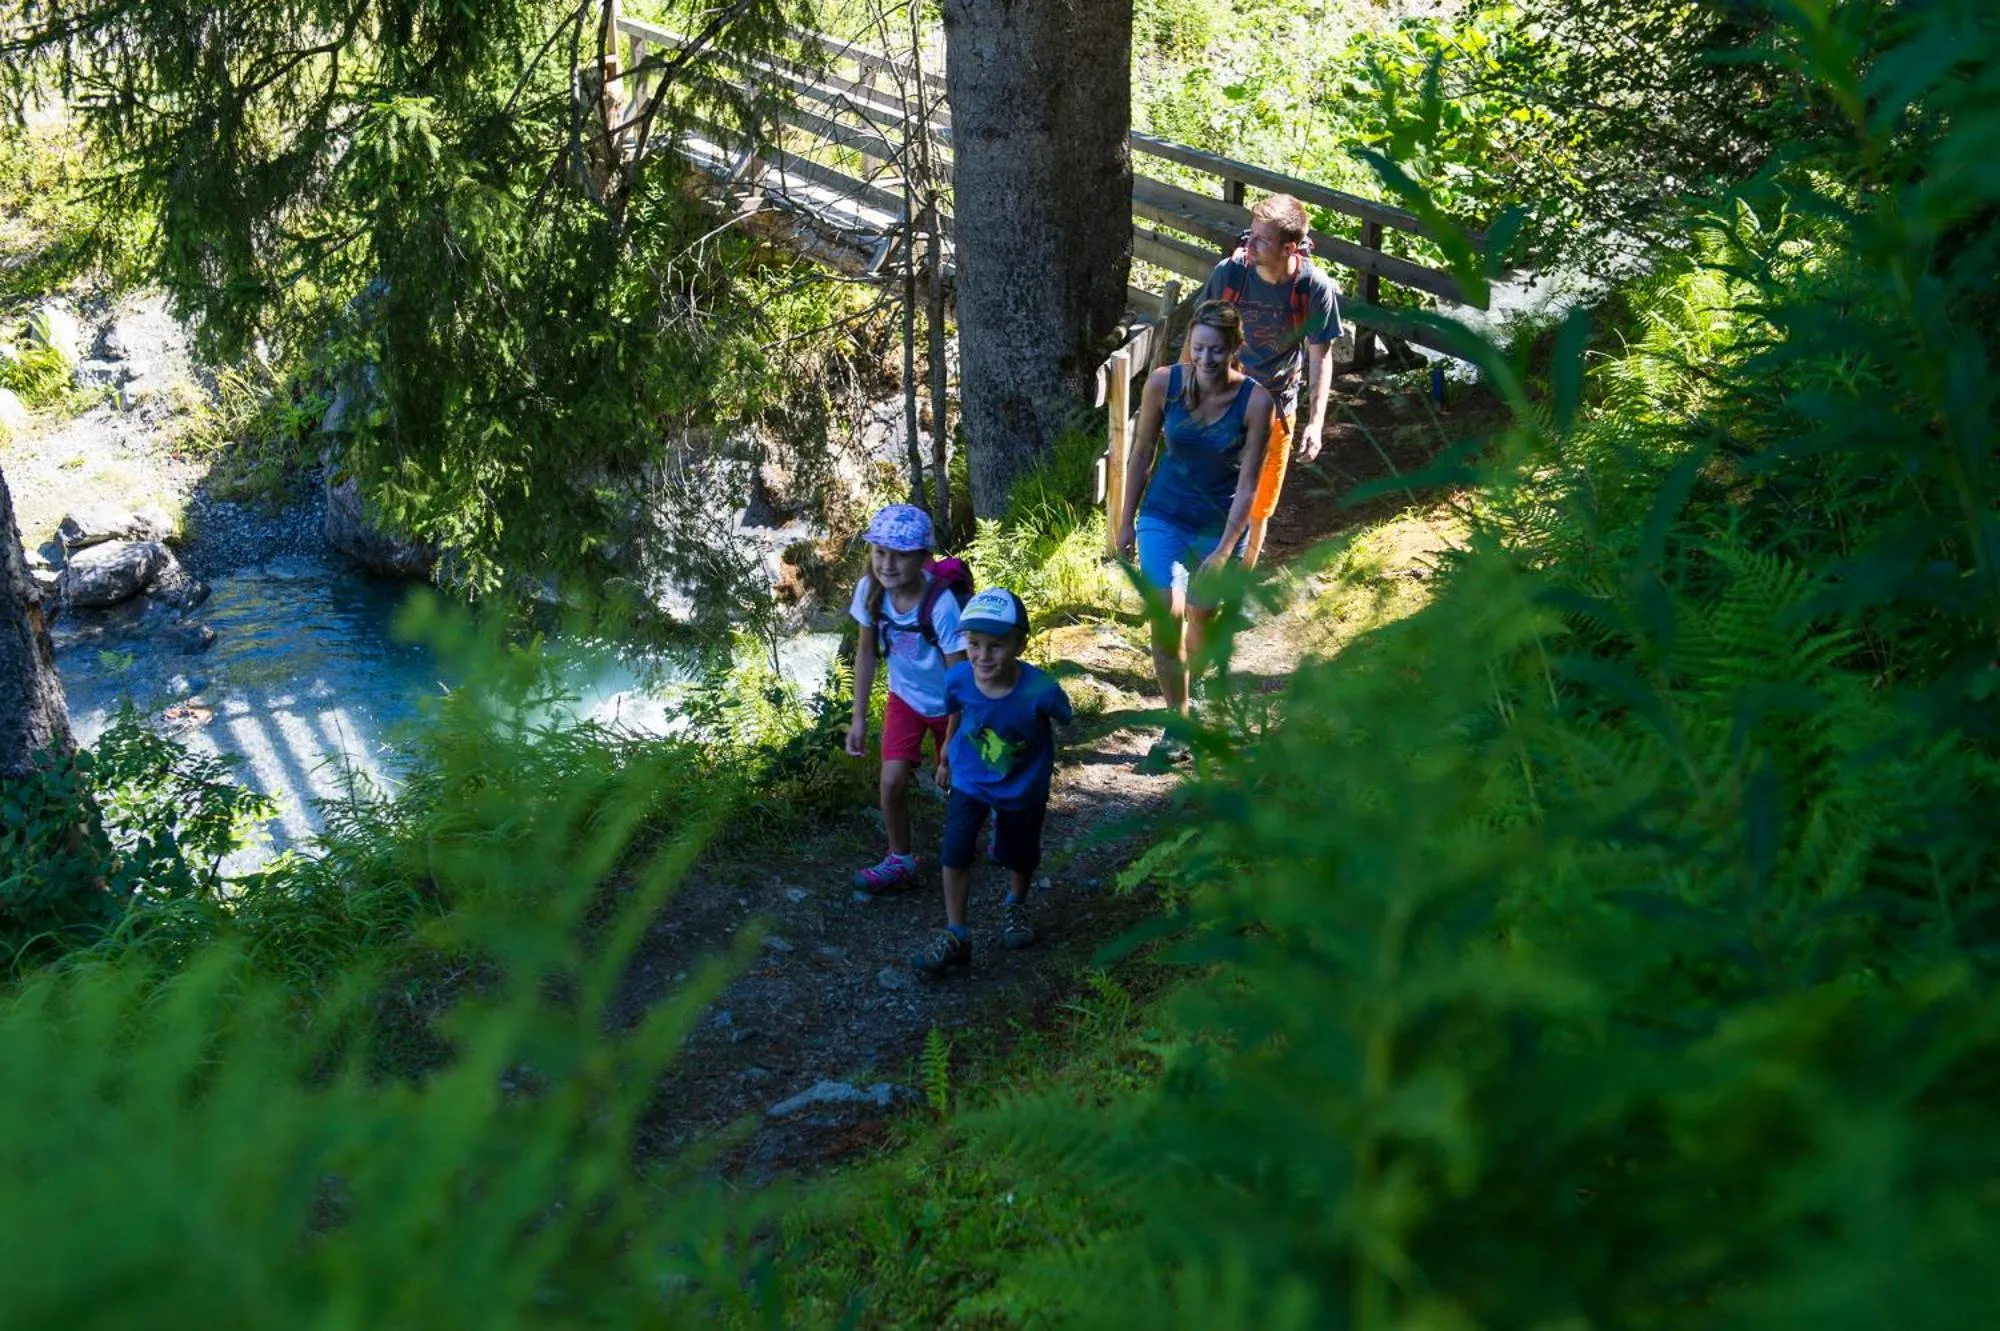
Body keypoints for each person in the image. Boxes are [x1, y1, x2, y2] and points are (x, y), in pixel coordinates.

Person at [1116, 300, 1272, 771]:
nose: (1205, 359)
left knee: (1203, 614)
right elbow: (1141, 452)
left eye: (1216, 350)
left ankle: (1197, 686)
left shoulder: (1256, 402)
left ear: (1234, 347)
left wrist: (1224, 551)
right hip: (1163, 514)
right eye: (1198, 348)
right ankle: (1178, 725)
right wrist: (1124, 520)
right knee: (1167, 621)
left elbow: (1250, 485)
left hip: (1218, 522)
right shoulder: (1164, 384)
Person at [910, 587, 1073, 976]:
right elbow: (956, 712)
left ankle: (1015, 904)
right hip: (970, 778)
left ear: (1020, 645)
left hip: (1022, 786)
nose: (982, 656)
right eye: (974, 644)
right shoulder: (958, 679)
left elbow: (1065, 715)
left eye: (996, 646)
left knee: (1021, 854)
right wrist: (945, 755)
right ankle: (957, 934)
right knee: (954, 849)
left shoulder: (1040, 689)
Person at [1185, 192, 1343, 567]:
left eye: (1261, 240)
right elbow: (1197, 337)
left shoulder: (1313, 288)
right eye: (1250, 234)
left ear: (1290, 248)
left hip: (1276, 408)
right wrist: (1184, 397)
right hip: (1223, 402)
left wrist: (1316, 422)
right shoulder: (1230, 274)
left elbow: (1321, 355)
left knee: (1259, 506)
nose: (1249, 245)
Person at [844, 503, 968, 893]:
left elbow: (960, 679)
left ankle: (995, 824)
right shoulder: (870, 592)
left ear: (923, 558)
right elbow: (866, 654)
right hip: (905, 701)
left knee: (966, 783)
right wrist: (858, 718)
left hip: (952, 706)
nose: (888, 564)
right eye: (880, 552)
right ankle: (900, 859)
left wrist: (949, 743)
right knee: (891, 781)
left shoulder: (942, 605)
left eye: (900, 555)